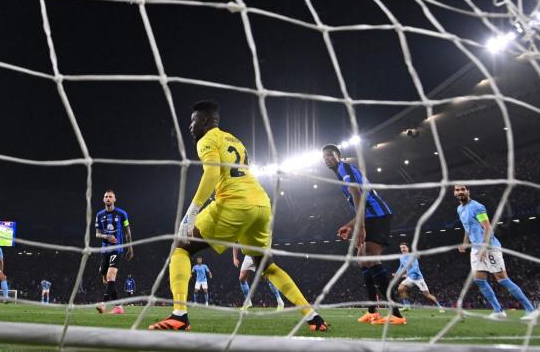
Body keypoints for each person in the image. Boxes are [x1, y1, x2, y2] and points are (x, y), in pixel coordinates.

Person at [150, 100, 326, 331]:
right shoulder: (234, 140)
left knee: (181, 247)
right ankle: (312, 316)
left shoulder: (207, 139)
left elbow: (212, 173)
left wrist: (191, 213)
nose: (190, 127)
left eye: (193, 121)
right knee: (268, 266)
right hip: (262, 205)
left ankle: (179, 314)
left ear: (205, 121)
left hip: (234, 203)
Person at [322, 144, 405, 325]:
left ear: (338, 155)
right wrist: (350, 225)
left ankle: (397, 313)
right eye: (324, 157)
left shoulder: (344, 168)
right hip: (371, 216)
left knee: (370, 258)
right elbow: (360, 200)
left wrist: (360, 225)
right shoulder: (341, 172)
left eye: (330, 155)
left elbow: (357, 193)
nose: (327, 159)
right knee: (362, 259)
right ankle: (373, 311)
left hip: (378, 215)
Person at [455, 185, 540, 321]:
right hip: (476, 249)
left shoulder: (477, 207)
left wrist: (484, 247)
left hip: (489, 247)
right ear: (454, 193)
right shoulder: (460, 209)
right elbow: (467, 228)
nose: (460, 192)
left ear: (468, 191)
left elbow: (487, 227)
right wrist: (465, 243)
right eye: (457, 190)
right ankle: (498, 311)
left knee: (502, 279)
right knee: (479, 280)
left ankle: (530, 310)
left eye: (462, 189)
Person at [95, 189, 133, 314]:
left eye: (110, 197)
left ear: (114, 199)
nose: (108, 199)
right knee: (106, 280)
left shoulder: (122, 214)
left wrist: (130, 248)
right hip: (104, 250)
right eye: (106, 197)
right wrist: (106, 237)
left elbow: (127, 231)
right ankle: (118, 307)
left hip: (117, 249)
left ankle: (103, 304)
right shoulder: (99, 215)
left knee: (111, 276)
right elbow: (97, 234)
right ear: (103, 199)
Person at [394, 243, 444, 312]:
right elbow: (401, 266)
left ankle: (440, 306)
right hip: (410, 278)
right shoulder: (401, 257)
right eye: (401, 248)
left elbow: (415, 269)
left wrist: (406, 274)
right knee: (400, 288)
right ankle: (407, 306)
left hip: (418, 279)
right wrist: (397, 273)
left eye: (404, 247)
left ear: (408, 248)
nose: (402, 249)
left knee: (427, 295)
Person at [233, 246, 284, 310]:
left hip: (260, 255)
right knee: (241, 278)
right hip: (249, 256)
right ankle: (248, 302)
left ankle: (280, 302)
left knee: (267, 278)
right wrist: (235, 258)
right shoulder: (240, 236)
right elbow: (235, 244)